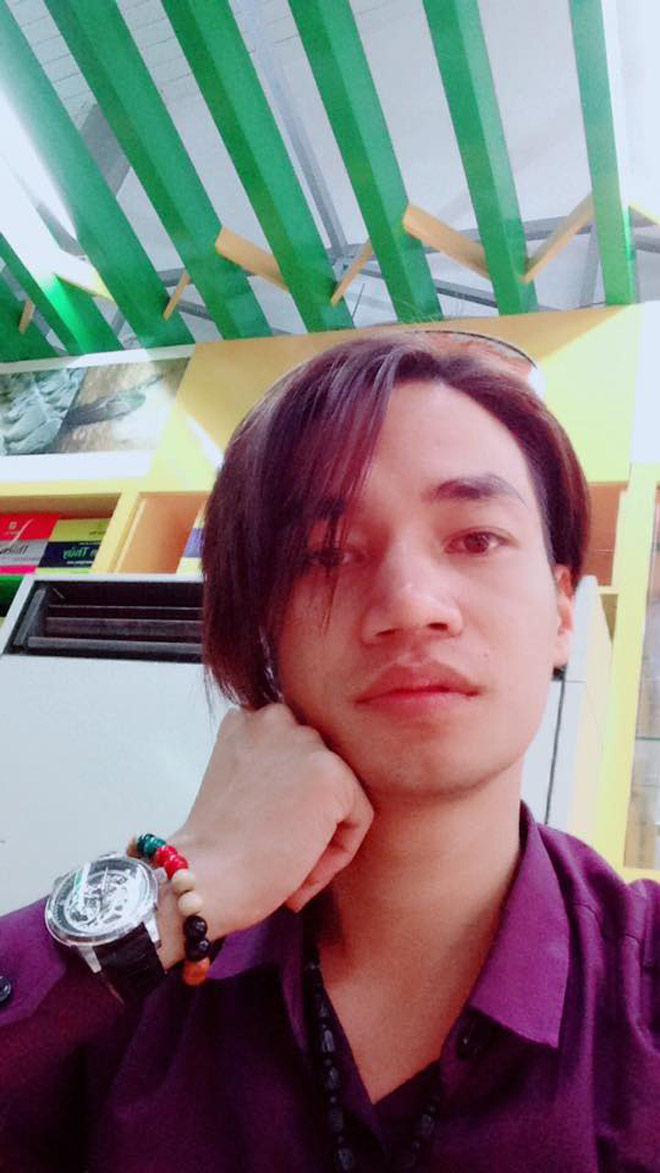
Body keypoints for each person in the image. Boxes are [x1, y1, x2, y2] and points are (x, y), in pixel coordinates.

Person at [1, 332, 658, 1172]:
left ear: (563, 608)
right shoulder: (122, 1004)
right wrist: (182, 886)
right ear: (263, 628)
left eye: (476, 537)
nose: (411, 604)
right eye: (326, 553)